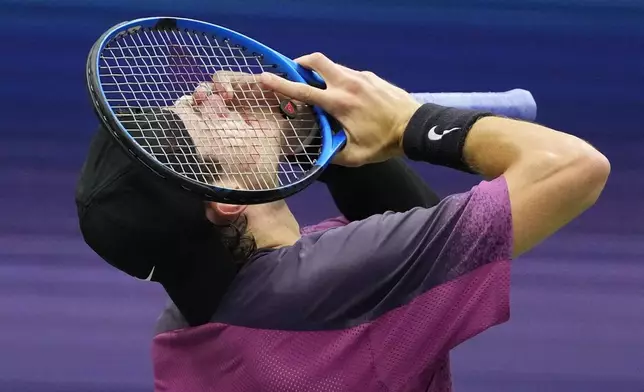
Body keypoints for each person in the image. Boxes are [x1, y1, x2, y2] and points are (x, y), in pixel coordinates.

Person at [76, 53, 610, 392]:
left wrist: (324, 143)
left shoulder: (182, 330)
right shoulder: (330, 284)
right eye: (206, 116)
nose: (214, 93)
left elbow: (409, 266)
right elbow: (573, 169)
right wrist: (408, 124)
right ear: (229, 200)